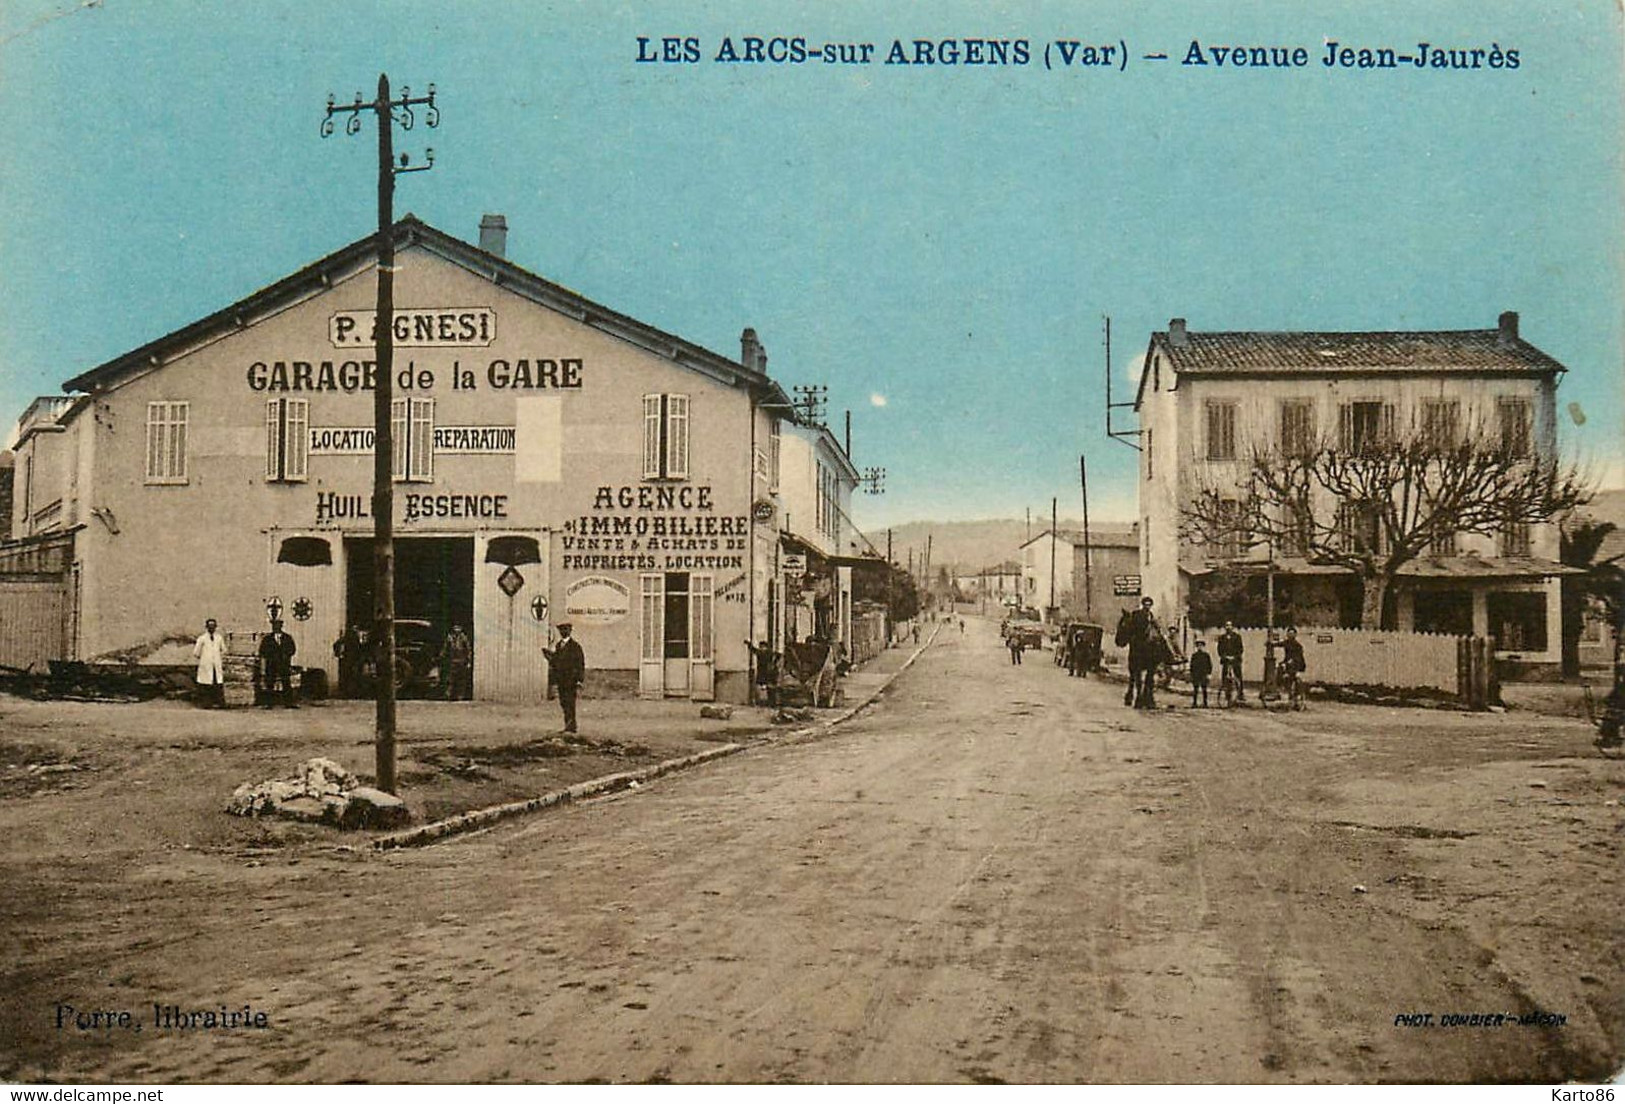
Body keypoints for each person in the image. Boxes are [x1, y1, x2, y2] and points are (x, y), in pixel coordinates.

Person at [542, 622, 585, 734]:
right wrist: (549, 657)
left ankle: (571, 727)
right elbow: (556, 662)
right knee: (564, 703)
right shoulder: (558, 646)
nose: (563, 632)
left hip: (571, 681)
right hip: (562, 680)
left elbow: (580, 664)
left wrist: (580, 680)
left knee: (570, 703)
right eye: (561, 630)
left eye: (566, 630)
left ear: (570, 631)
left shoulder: (575, 647)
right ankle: (568, 725)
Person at [258, 619, 298, 708]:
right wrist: (270, 656)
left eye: (278, 626)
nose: (276, 628)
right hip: (271, 664)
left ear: (281, 627)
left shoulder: (287, 638)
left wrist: (286, 655)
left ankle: (288, 703)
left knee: (286, 683)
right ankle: (269, 703)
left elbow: (292, 649)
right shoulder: (267, 639)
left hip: (283, 664)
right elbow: (262, 650)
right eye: (274, 626)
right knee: (270, 683)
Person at [192, 618, 227, 708]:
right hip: (206, 665)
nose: (212, 628)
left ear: (215, 627)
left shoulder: (219, 638)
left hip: (216, 665)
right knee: (206, 685)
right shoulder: (202, 638)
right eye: (210, 626)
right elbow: (196, 652)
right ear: (206, 627)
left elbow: (224, 650)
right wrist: (205, 658)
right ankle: (206, 703)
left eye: (213, 626)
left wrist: (218, 657)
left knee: (217, 683)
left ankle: (219, 703)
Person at [440, 623, 473, 700]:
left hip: (462, 661)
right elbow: (445, 648)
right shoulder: (450, 638)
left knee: (461, 679)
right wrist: (442, 656)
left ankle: (460, 695)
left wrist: (469, 661)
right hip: (452, 660)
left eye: (458, 628)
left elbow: (468, 650)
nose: (457, 630)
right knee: (451, 678)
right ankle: (449, 694)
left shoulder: (464, 638)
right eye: (455, 628)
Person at [333, 623, 366, 698]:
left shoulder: (354, 638)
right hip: (350, 659)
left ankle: (351, 693)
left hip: (353, 659)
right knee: (351, 676)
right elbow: (336, 644)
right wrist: (338, 653)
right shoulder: (350, 638)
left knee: (352, 677)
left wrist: (338, 654)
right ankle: (350, 693)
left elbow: (337, 644)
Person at [1217, 621, 1246, 703]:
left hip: (1235, 659)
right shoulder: (1222, 638)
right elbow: (1220, 649)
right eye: (1226, 626)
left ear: (1232, 627)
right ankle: (1226, 693)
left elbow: (1240, 649)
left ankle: (1240, 693)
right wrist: (1224, 656)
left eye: (1230, 626)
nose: (1228, 627)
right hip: (1226, 659)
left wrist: (1234, 656)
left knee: (1238, 675)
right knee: (1225, 676)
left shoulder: (1237, 637)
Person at [745, 639, 780, 707]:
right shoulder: (767, 652)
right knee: (767, 687)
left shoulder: (765, 653)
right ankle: (770, 702)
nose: (761, 648)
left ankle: (769, 702)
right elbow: (754, 650)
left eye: (762, 647)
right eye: (761, 647)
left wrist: (749, 644)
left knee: (767, 687)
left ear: (765, 647)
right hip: (767, 672)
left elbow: (753, 650)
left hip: (766, 673)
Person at [1279, 627, 1307, 703]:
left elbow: (1298, 657)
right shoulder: (1286, 642)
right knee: (1279, 668)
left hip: (1297, 664)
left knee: (1292, 676)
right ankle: (1282, 688)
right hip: (1288, 662)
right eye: (1289, 634)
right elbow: (1280, 644)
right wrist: (1270, 644)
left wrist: (1291, 661)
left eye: (1292, 634)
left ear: (1295, 635)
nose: (1290, 635)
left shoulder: (1297, 645)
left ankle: (1295, 694)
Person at [1189, 639, 1213, 707]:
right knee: (1195, 689)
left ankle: (1205, 703)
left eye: (1201, 646)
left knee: (1204, 689)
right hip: (1196, 674)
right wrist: (1192, 674)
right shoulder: (1194, 655)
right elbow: (1192, 665)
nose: (1200, 647)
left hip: (1203, 674)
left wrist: (1209, 674)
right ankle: (1194, 703)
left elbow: (1209, 665)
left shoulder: (1206, 655)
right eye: (1198, 646)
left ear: (1203, 647)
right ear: (1197, 647)